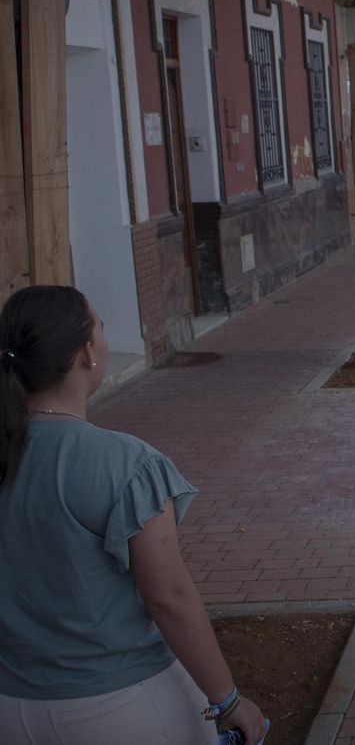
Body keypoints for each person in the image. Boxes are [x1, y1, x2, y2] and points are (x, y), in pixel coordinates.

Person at [0, 286, 269, 745]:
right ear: (87, 353)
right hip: (117, 703)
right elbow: (168, 596)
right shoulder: (127, 463)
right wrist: (227, 699)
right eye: (101, 329)